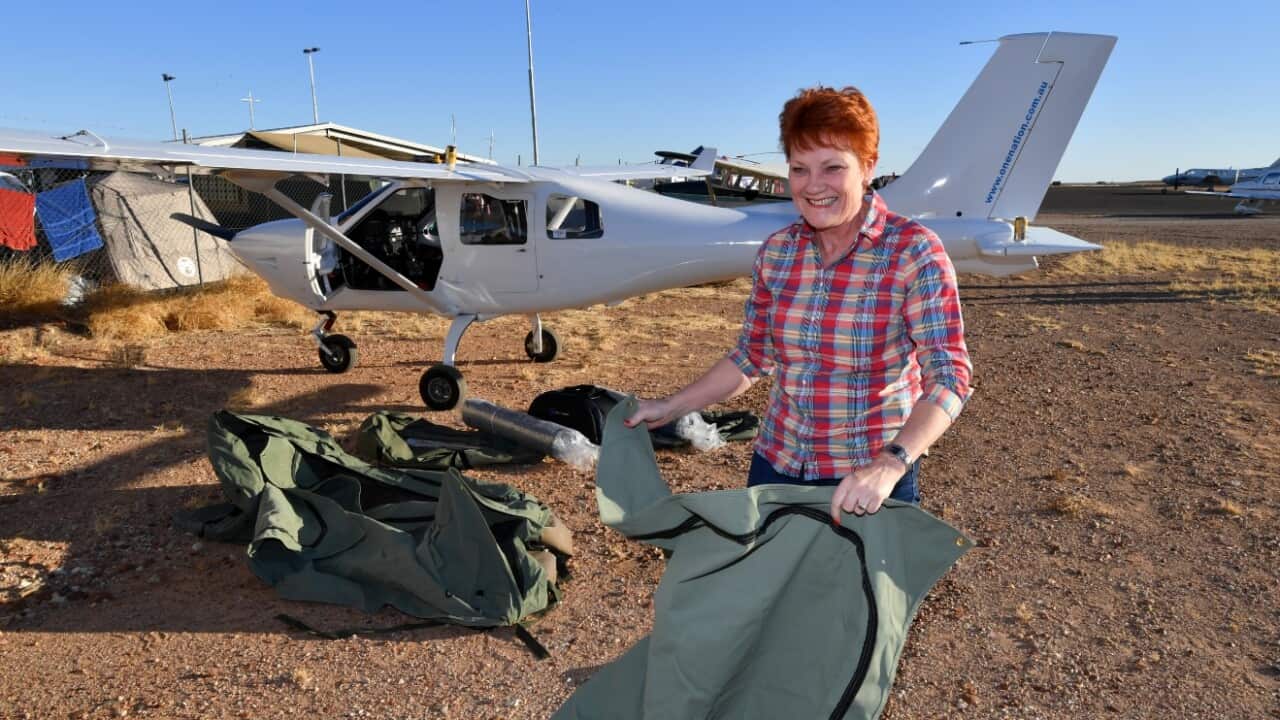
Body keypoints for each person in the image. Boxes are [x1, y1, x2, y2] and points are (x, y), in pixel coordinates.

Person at [626, 85, 972, 522]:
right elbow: (752, 357)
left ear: (867, 167)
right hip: (777, 466)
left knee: (860, 593)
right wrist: (671, 406)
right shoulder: (778, 253)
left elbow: (949, 376)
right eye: (799, 169)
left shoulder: (912, 252)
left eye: (832, 167)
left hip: (866, 480)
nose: (813, 186)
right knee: (770, 590)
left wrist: (891, 463)